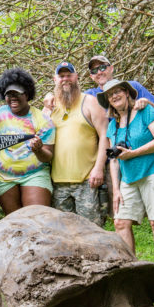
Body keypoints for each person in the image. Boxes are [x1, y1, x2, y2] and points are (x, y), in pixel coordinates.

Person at [97, 79, 154, 253]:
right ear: (108, 100)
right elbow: (114, 160)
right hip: (128, 178)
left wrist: (134, 153)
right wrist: (116, 190)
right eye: (110, 94)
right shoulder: (112, 125)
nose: (114, 96)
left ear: (127, 92)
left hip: (151, 172)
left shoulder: (144, 111)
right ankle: (132, 270)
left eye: (118, 91)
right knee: (120, 222)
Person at [50, 61, 109, 226]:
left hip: (87, 181)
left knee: (93, 232)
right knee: (64, 234)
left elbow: (105, 135)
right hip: (58, 184)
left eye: (69, 75)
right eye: (61, 76)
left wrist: (99, 168)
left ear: (76, 77)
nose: (65, 79)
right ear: (55, 79)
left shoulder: (90, 101)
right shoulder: (50, 107)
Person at [0, 68, 55, 215]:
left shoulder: (43, 120)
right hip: (4, 177)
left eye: (17, 93)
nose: (13, 98)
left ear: (27, 94)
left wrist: (38, 149)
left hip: (35, 174)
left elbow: (49, 156)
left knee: (37, 219)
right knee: (15, 223)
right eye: (9, 94)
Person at [86, 56, 154, 107]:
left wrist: (147, 103)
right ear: (91, 76)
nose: (99, 72)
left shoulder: (133, 86)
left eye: (102, 67)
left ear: (111, 68)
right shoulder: (89, 96)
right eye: (94, 71)